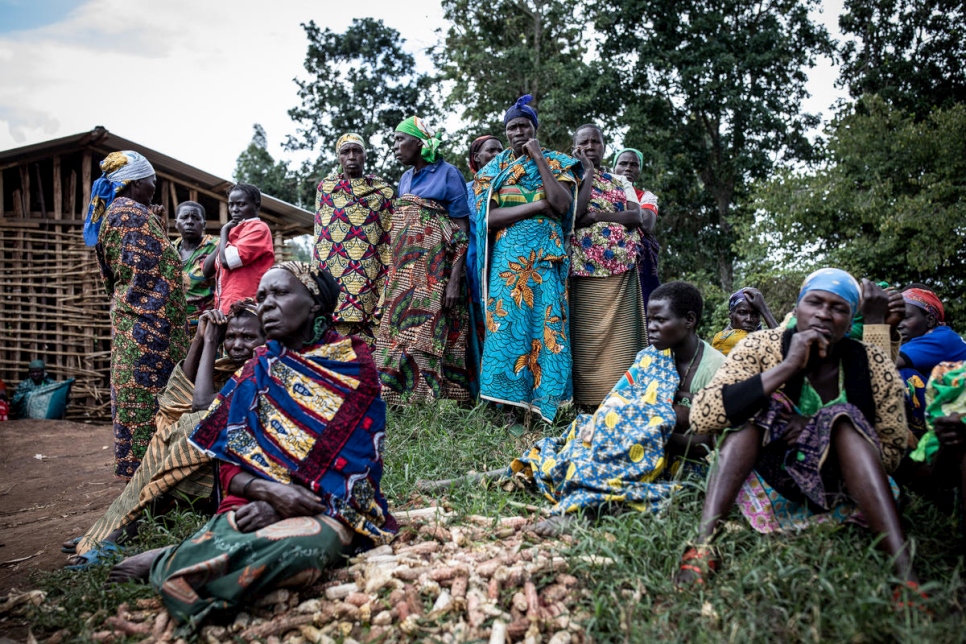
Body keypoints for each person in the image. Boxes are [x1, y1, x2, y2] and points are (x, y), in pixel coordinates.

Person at [106, 263, 396, 629]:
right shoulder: (255, 370)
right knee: (245, 534)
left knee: (306, 548)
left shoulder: (352, 366)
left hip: (326, 507)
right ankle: (184, 561)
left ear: (315, 303)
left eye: (280, 294)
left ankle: (174, 562)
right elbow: (227, 462)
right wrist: (267, 492)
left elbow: (359, 471)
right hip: (253, 503)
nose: (267, 304)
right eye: (261, 297)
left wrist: (284, 506)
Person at [677, 268, 916, 595]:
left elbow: (889, 453)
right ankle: (703, 546)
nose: (824, 314)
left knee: (843, 421)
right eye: (815, 302)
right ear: (798, 306)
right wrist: (786, 368)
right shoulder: (760, 347)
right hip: (772, 475)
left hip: (841, 482)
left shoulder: (869, 361)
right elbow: (703, 416)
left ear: (850, 319)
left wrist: (819, 429)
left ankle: (906, 579)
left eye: (839, 308)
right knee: (753, 414)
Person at [510, 282, 725, 535]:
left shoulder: (717, 369)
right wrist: (628, 429)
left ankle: (584, 511)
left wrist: (651, 435)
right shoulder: (649, 358)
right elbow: (615, 404)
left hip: (680, 457)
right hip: (629, 442)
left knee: (659, 481)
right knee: (582, 433)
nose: (651, 327)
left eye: (660, 320)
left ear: (689, 320)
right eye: (649, 320)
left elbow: (712, 442)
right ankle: (507, 473)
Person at [65, 301, 266, 568]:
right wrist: (199, 338)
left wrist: (211, 343)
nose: (237, 344)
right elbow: (178, 393)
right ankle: (111, 532)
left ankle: (119, 534)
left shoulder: (265, 371)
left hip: (242, 468)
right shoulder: (229, 368)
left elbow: (203, 402)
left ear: (267, 339)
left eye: (248, 337)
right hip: (218, 462)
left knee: (195, 426)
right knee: (179, 432)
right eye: (230, 336)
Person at [471, 95, 580, 425]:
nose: (517, 131)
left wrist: (537, 158)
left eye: (523, 126)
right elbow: (487, 219)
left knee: (547, 327)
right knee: (506, 329)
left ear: (535, 128)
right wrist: (535, 207)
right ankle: (509, 409)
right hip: (507, 262)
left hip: (546, 258)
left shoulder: (558, 162)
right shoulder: (492, 170)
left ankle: (546, 407)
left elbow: (561, 205)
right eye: (511, 127)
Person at [90, 151, 189, 479]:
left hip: (142, 327)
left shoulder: (123, 213)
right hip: (148, 331)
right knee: (149, 403)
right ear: (134, 184)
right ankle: (148, 486)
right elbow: (147, 276)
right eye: (151, 182)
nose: (153, 188)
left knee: (148, 402)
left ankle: (149, 479)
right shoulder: (129, 215)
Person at [375, 117, 472, 404]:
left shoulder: (448, 174)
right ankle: (396, 397)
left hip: (434, 272)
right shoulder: (405, 179)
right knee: (398, 329)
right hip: (404, 272)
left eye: (399, 140)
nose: (395, 147)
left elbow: (461, 230)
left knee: (428, 329)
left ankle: (427, 399)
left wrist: (454, 279)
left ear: (419, 142)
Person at [570, 124, 647, 407]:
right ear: (575, 147)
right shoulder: (568, 175)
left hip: (621, 267)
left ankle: (621, 399)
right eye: (584, 142)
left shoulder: (620, 181)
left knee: (622, 338)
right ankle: (588, 402)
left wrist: (597, 216)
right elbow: (576, 215)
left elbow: (635, 217)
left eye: (596, 142)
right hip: (583, 269)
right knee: (587, 336)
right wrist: (588, 172)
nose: (591, 147)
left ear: (604, 146)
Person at [314, 133, 394, 347]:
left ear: (365, 156)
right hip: (333, 280)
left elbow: (387, 238)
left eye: (356, 151)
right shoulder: (326, 189)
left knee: (366, 346)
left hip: (370, 278)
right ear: (338, 158)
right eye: (345, 152)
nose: (351, 156)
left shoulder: (382, 192)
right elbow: (322, 240)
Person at [465, 134, 505, 398]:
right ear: (476, 158)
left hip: (505, 265)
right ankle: (479, 395)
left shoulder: (511, 185)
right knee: (478, 331)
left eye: (501, 150)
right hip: (476, 266)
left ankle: (503, 395)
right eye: (491, 151)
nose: (498, 155)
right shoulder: (467, 189)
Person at [203, 183, 275, 315]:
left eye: (241, 204)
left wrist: (224, 231)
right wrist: (226, 236)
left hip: (246, 308)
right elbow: (206, 270)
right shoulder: (232, 233)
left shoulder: (258, 229)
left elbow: (227, 261)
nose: (234, 209)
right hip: (225, 307)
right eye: (231, 204)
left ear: (257, 206)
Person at [613, 148, 660, 309]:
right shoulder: (601, 189)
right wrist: (630, 217)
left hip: (637, 261)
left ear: (639, 170)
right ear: (614, 167)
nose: (628, 168)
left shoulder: (646, 196)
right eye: (623, 163)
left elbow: (646, 224)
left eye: (634, 165)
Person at [173, 201, 218, 331]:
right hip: (175, 327)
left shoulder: (216, 246)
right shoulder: (170, 249)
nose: (190, 222)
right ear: (176, 223)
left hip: (207, 325)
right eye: (184, 217)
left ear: (204, 224)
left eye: (196, 218)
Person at [711, 287, 779, 356]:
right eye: (742, 312)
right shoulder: (729, 340)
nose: (749, 319)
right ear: (731, 315)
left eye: (755, 314)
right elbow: (782, 346)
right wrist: (764, 310)